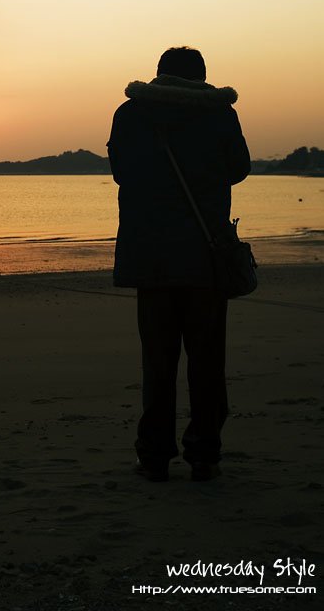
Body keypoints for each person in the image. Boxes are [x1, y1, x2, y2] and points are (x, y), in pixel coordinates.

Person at [107, 46, 251, 483]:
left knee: (158, 362)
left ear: (158, 74)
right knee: (207, 362)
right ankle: (204, 455)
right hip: (205, 256)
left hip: (149, 254)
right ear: (202, 77)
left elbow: (121, 172)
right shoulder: (219, 114)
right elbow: (239, 168)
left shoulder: (131, 113)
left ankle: (154, 457)